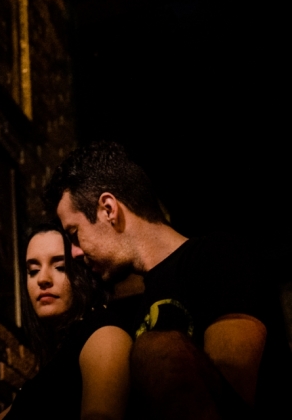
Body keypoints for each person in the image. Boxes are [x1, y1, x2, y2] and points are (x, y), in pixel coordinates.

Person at [46, 142, 291, 418]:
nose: (74, 252)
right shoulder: (135, 310)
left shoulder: (216, 256)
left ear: (108, 209)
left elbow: (233, 388)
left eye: (74, 232)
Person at [0, 220, 135, 420]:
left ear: (84, 273)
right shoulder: (59, 357)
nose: (42, 279)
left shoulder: (103, 332)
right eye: (33, 271)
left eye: (60, 267)